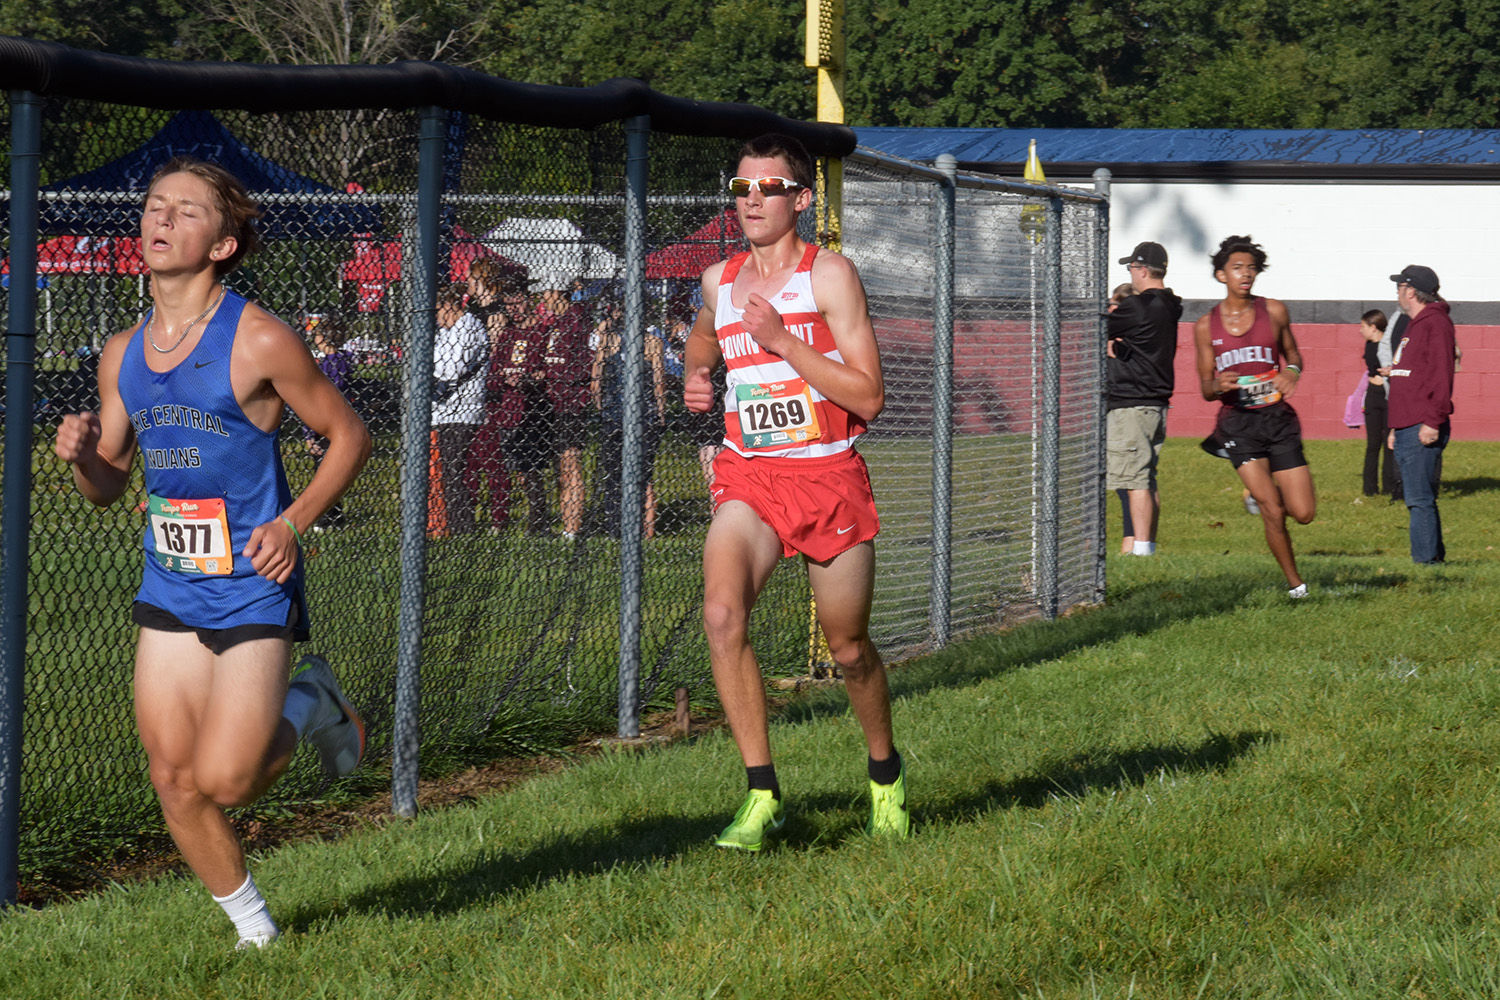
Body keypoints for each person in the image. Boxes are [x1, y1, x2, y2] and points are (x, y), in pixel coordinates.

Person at [53, 156, 372, 948]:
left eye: (186, 212)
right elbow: (109, 485)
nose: (161, 220)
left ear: (224, 243)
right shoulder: (122, 350)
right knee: (173, 777)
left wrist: (292, 522)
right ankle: (257, 934)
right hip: (171, 582)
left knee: (230, 777)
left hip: (253, 584)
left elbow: (348, 435)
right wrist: (83, 455)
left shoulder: (258, 337)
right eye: (155, 206)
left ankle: (315, 702)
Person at [682, 133, 908, 851]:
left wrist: (783, 342)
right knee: (722, 614)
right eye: (742, 188)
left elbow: (869, 397)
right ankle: (762, 794)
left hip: (829, 476)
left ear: (801, 200)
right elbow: (703, 336)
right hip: (750, 475)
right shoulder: (720, 280)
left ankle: (884, 773)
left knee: (847, 650)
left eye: (769, 188)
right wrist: (694, 372)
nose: (752, 200)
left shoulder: (830, 276)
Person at [1193, 235, 1315, 598]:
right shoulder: (1205, 326)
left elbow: (1293, 355)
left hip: (1277, 419)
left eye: (1251, 268)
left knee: (1303, 512)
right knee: (1272, 510)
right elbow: (1204, 388)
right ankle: (1297, 587)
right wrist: (1218, 384)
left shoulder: (1274, 311)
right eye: (1237, 268)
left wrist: (1291, 372)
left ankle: (1268, 489)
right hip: (1238, 424)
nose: (1245, 274)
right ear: (1220, 276)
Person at [1106, 242, 1182, 556]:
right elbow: (1142, 343)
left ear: (1141, 269)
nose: (1131, 275)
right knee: (1146, 477)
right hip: (1156, 401)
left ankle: (1141, 550)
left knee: (1134, 479)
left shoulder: (1138, 306)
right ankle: (1143, 544)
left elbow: (1100, 327)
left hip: (1132, 402)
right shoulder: (1170, 304)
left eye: (1131, 269)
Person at [1385, 265, 1456, 565]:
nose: (1397, 293)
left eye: (1399, 287)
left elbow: (1441, 376)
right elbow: (1413, 372)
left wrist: (1432, 421)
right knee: (1419, 497)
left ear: (1410, 291)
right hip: (1405, 423)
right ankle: (1432, 558)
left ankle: (1426, 563)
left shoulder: (1435, 324)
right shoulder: (1415, 324)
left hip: (1421, 423)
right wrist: (1393, 427)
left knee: (1418, 499)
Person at [591, 300, 667, 538]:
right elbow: (659, 383)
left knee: (615, 474)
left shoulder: (609, 342)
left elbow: (596, 378)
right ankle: (643, 529)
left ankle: (617, 528)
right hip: (642, 415)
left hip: (616, 414)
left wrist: (600, 405)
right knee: (642, 475)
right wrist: (661, 413)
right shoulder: (652, 343)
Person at [428, 282, 488, 537]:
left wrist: (432, 370)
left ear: (449, 307)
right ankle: (448, 523)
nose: (437, 319)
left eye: (437, 312)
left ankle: (463, 528)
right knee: (446, 471)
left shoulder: (470, 327)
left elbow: (452, 369)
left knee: (454, 471)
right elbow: (437, 363)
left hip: (463, 409)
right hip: (443, 410)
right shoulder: (447, 331)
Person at [535, 279, 593, 540]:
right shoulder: (552, 323)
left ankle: (572, 527)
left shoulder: (575, 319)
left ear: (557, 292)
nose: (542, 298)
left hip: (569, 401)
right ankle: (565, 522)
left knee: (570, 463)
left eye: (546, 292)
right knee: (559, 466)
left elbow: (584, 362)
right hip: (550, 402)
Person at [303, 312, 356, 531]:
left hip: (322, 428)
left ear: (323, 338)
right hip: (341, 426)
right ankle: (336, 516)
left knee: (321, 476)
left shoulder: (324, 367)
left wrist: (308, 434)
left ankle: (327, 519)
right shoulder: (345, 362)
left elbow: (313, 400)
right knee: (332, 474)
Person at [1355, 309, 1401, 499]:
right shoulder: (1368, 345)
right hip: (1373, 394)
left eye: (1363, 326)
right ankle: (1369, 488)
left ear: (1373, 327)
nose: (1360, 330)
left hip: (1388, 394)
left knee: (1389, 442)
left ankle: (1389, 485)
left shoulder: (1389, 346)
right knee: (1373, 443)